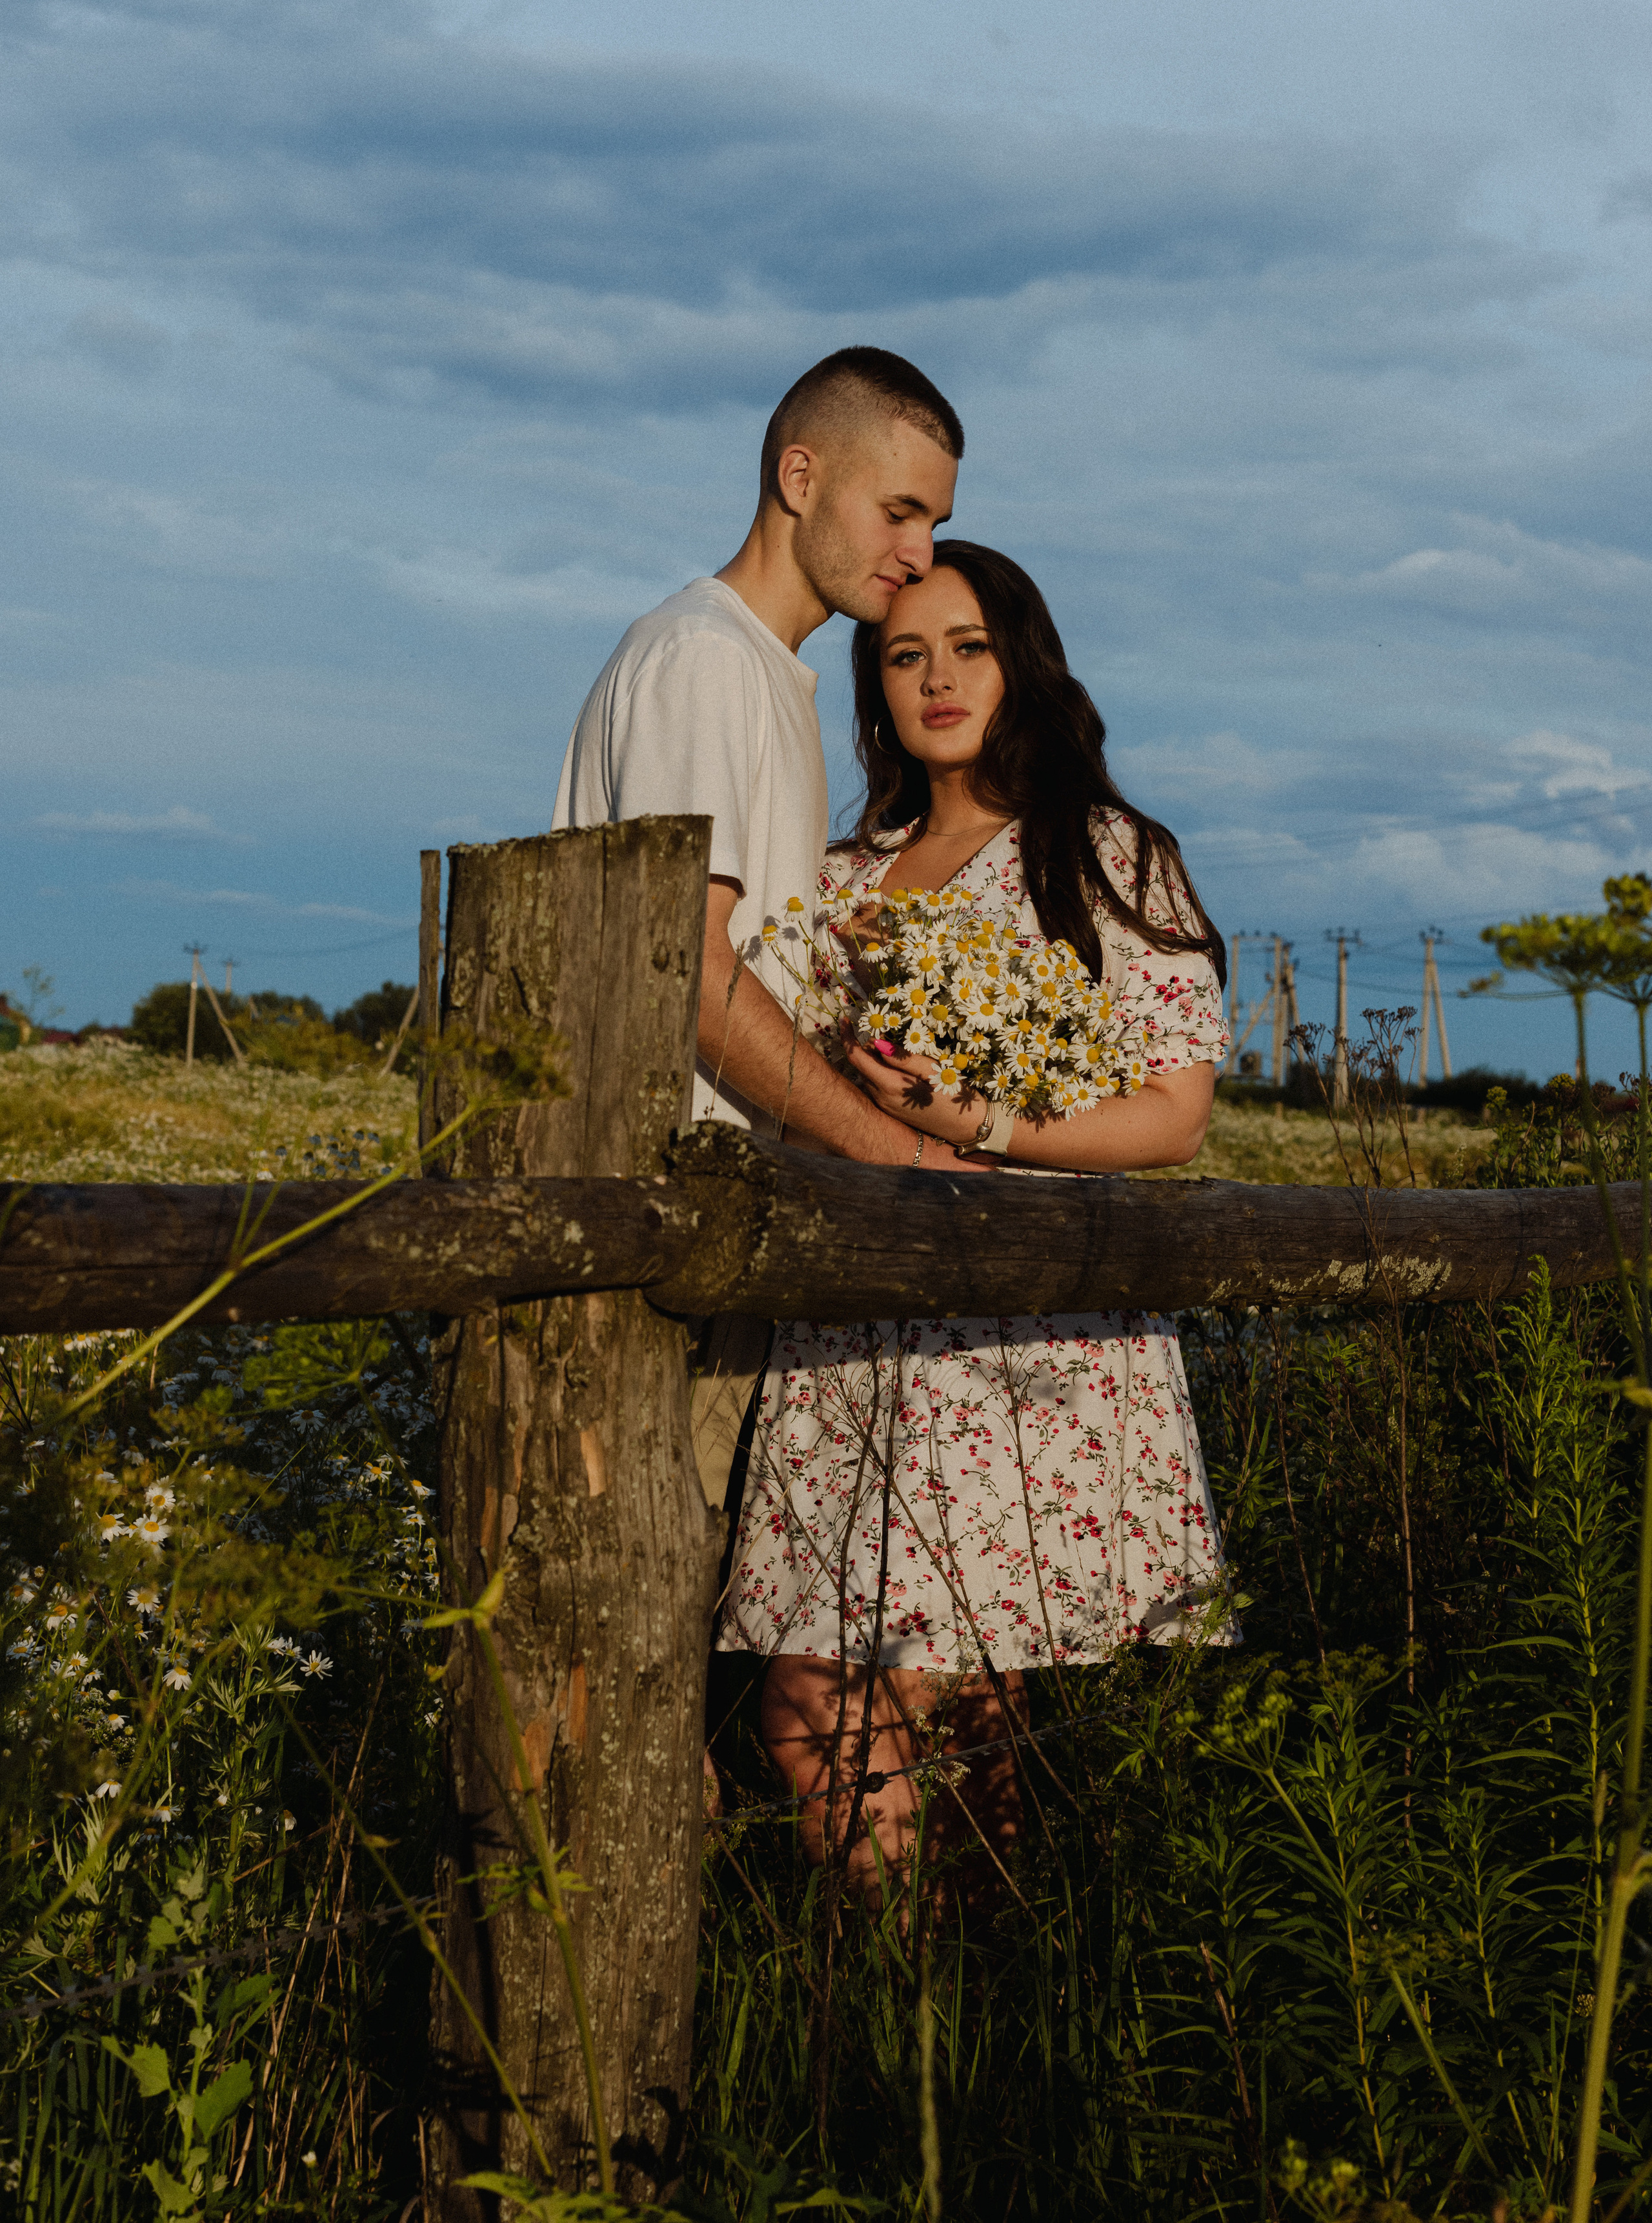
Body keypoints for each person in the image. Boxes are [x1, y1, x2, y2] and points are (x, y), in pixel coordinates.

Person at [716, 541, 1235, 1904]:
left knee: (946, 1721)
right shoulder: (839, 878)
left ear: (1023, 666)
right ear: (875, 688)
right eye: (904, 655)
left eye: (967, 648)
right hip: (854, 1351)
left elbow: (1173, 1114)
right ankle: (919, 1979)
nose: (936, 679)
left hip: (1021, 1346)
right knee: (834, 1704)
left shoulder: (1106, 855)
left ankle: (947, 2004)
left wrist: (982, 1122)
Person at [551, 347, 971, 1513]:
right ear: (800, 476)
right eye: (898, 511)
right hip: (659, 1251)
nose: (919, 555)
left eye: (934, 525)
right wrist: (902, 1164)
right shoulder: (705, 659)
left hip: (715, 1243)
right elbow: (685, 975)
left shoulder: (767, 673)